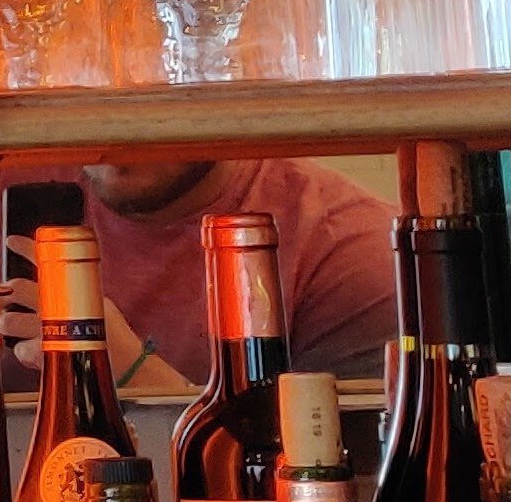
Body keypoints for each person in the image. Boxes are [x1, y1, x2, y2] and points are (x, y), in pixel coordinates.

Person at [71, 150, 397, 389]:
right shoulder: (42, 164)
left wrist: (127, 369)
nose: (114, 130)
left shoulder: (349, 247)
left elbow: (335, 455)